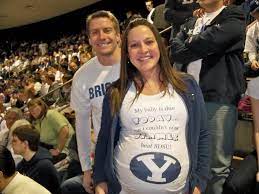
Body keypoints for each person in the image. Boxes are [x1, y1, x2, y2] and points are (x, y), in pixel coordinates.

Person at [93, 18, 210, 194]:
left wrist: (199, 184)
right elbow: (104, 141)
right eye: (134, 45)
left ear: (159, 45)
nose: (143, 50)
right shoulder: (115, 92)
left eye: (149, 42)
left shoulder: (187, 86)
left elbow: (203, 135)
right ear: (127, 53)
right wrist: (100, 182)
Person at [170, 0, 246, 193]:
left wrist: (190, 44)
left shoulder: (233, 16)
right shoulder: (190, 22)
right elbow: (175, 50)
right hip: (186, 98)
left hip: (217, 97)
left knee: (216, 164)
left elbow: (209, 41)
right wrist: (199, 45)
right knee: (187, 156)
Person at [61, 10, 121, 194]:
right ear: (89, 39)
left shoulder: (136, 63)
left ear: (118, 35)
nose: (101, 36)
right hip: (107, 158)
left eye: (107, 30)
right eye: (95, 32)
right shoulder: (82, 76)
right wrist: (87, 169)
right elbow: (82, 125)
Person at [12, 125, 60, 194]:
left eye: (14, 141)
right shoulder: (22, 164)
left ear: (25, 144)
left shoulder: (44, 166)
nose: (12, 144)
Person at [27, 98, 74, 163]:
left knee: (40, 163)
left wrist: (58, 150)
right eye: (30, 109)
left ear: (41, 106)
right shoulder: (37, 121)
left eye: (34, 107)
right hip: (51, 147)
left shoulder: (51, 114)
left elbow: (65, 131)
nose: (32, 111)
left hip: (66, 148)